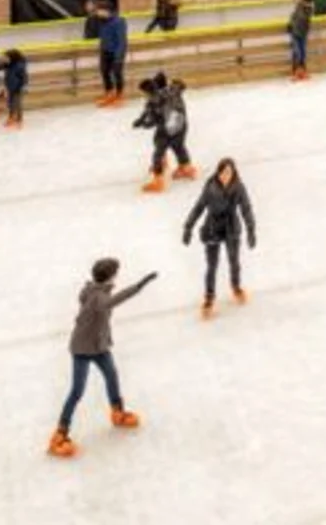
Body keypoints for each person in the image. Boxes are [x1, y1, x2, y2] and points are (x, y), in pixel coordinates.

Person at [48, 258, 157, 458]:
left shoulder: (96, 291)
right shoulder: (98, 298)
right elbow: (114, 301)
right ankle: (59, 434)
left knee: (112, 376)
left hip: (99, 347)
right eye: (116, 272)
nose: (117, 274)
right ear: (109, 276)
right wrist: (139, 285)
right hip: (82, 349)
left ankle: (118, 412)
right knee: (77, 391)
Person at [181, 158, 256, 318]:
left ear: (234, 173)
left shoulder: (239, 187)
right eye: (223, 172)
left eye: (229, 172)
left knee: (234, 261)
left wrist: (251, 229)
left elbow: (246, 208)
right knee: (212, 266)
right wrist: (188, 227)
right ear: (219, 172)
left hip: (231, 228)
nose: (226, 175)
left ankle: (236, 287)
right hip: (212, 228)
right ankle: (209, 297)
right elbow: (199, 207)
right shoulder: (210, 188)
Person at [134, 73, 196, 193]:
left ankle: (158, 180)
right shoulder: (174, 89)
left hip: (167, 129)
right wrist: (177, 82)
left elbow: (152, 121)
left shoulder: (153, 100)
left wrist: (142, 124)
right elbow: (181, 85)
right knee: (179, 146)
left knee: (158, 151)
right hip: (181, 125)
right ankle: (186, 167)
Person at [95, 1, 129, 107]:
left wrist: (119, 56)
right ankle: (109, 93)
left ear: (106, 11)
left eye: (99, 10)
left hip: (116, 52)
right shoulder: (101, 21)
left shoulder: (118, 22)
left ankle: (119, 95)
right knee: (104, 72)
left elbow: (121, 40)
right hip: (105, 52)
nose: (97, 12)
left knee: (117, 73)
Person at [287, 0, 313, 82]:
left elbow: (306, 16)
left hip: (303, 32)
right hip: (295, 32)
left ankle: (303, 71)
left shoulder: (307, 7)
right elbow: (293, 18)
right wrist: (290, 25)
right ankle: (296, 72)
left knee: (302, 52)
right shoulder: (297, 7)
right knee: (296, 52)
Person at [0, 47, 29, 129]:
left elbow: (24, 77)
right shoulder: (7, 65)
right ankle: (11, 117)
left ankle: (19, 119)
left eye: (6, 58)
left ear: (12, 58)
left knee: (17, 104)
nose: (4, 59)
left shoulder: (19, 66)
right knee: (10, 103)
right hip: (10, 88)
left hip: (18, 88)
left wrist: (24, 86)